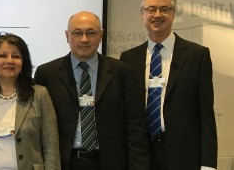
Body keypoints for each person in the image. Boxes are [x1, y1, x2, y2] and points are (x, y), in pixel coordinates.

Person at [34, 11, 149, 170]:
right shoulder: (47, 73)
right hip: (65, 162)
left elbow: (135, 126)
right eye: (77, 33)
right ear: (67, 36)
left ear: (101, 35)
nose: (84, 39)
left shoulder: (121, 72)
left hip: (109, 163)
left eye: (91, 33)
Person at [119, 0, 217, 170]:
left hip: (184, 154)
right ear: (142, 15)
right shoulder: (128, 59)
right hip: (141, 156)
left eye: (164, 9)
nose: (157, 14)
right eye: (151, 9)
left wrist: (208, 164)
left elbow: (206, 114)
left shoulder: (197, 55)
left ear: (173, 14)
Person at [0, 33, 60, 170]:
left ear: (23, 63)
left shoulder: (40, 95)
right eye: (2, 55)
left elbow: (51, 149)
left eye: (16, 56)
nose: (9, 61)